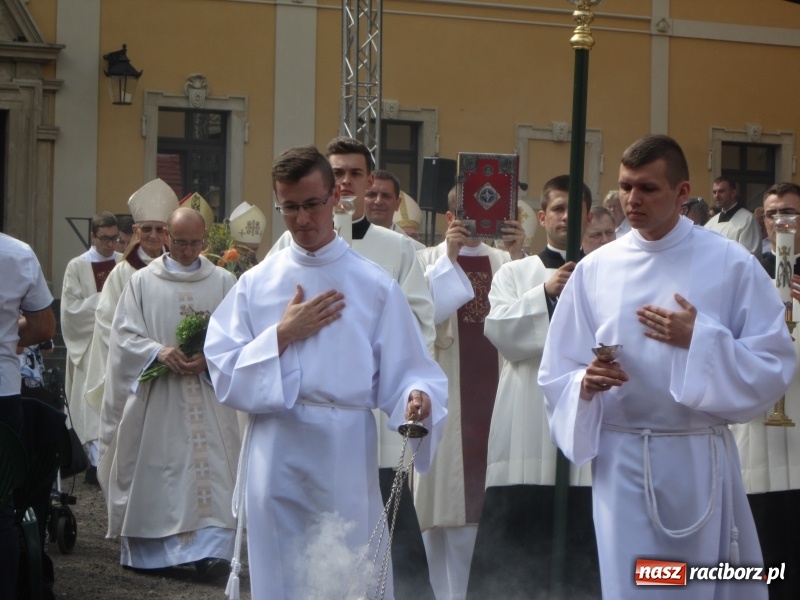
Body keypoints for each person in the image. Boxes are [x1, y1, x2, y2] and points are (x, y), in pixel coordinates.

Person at [538, 134, 796, 599]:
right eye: (625, 187)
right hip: (621, 462)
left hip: (697, 459)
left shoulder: (729, 263)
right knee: (635, 584)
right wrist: (585, 383)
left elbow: (774, 362)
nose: (632, 200)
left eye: (648, 189)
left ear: (682, 193)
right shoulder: (597, 269)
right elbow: (558, 369)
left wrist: (699, 340)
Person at [204, 145, 448, 600]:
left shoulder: (373, 284)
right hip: (277, 450)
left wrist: (417, 397)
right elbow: (223, 367)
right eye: (290, 207)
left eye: (312, 204)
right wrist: (281, 335)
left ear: (336, 197)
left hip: (344, 451)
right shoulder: (257, 283)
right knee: (281, 572)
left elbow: (411, 369)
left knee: (347, 572)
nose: (301, 219)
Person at [268, 136, 436, 598]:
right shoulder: (285, 249)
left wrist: (407, 387)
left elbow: (416, 326)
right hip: (291, 428)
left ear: (363, 184)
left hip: (367, 421)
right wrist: (284, 334)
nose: (344, 182)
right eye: (336, 172)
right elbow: (259, 328)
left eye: (352, 175)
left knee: (377, 534)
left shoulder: (396, 250)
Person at [467, 175, 599, 599]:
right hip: (525, 424)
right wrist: (544, 293)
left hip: (583, 419)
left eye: (573, 210)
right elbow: (500, 331)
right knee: (515, 547)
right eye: (556, 209)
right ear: (542, 217)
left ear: (587, 217)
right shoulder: (515, 272)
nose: (564, 217)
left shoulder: (604, 270)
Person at [97, 207, 240, 580]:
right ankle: (154, 552)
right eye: (181, 243)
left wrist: (209, 359)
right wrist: (158, 352)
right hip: (158, 397)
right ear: (166, 237)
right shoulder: (142, 282)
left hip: (209, 397)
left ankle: (213, 552)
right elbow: (123, 336)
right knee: (163, 469)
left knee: (213, 473)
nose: (189, 251)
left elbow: (240, 335)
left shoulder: (224, 281)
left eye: (196, 243)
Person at [413, 186, 525, 600]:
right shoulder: (426, 260)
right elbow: (425, 320)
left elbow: (535, 317)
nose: (473, 222)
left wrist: (518, 256)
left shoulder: (506, 263)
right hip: (446, 403)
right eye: (465, 212)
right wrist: (451, 260)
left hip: (498, 398)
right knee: (441, 506)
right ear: (449, 217)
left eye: (482, 212)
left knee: (486, 510)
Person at [732, 182, 800, 600]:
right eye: (772, 214)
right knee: (763, 561)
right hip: (758, 435)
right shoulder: (745, 271)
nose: (781, 222)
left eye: (790, 212)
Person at [83, 179, 178, 421]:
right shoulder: (122, 273)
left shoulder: (179, 271)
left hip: (174, 369)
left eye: (160, 229)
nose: (154, 235)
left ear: (168, 232)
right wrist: (145, 354)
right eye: (147, 229)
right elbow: (107, 324)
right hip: (136, 372)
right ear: (136, 232)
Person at [0, 232, 56, 600]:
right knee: (1, 507)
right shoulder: (15, 253)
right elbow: (43, 327)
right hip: (2, 393)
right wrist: (10, 336)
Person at [60, 211, 121, 482]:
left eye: (115, 238)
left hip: (117, 345)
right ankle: (95, 465)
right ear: (92, 236)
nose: (110, 244)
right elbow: (70, 311)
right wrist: (105, 301)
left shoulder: (123, 264)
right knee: (92, 404)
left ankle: (117, 462)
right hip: (89, 346)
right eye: (105, 238)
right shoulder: (77, 266)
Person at [366, 169, 425, 249]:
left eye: (386, 196)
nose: (378, 201)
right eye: (372, 195)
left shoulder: (415, 249)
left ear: (397, 203)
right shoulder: (347, 242)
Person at [705, 175, 761, 255]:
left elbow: (749, 256)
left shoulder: (748, 220)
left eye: (721, 191)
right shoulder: (710, 224)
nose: (717, 196)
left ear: (733, 193)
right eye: (714, 192)